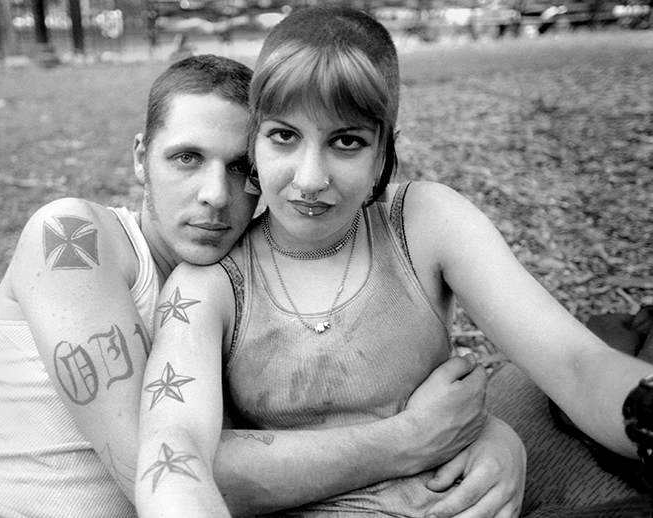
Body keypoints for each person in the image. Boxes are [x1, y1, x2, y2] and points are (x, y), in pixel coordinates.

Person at [0, 54, 494, 518]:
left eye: (241, 167)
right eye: (186, 158)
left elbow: (318, 426)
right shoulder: (75, 237)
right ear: (140, 157)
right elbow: (152, 469)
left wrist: (488, 438)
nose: (215, 195)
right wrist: (412, 440)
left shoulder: (244, 292)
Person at [135, 7, 653, 518]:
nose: (310, 179)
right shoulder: (208, 288)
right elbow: (174, 446)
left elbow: (576, 364)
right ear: (254, 140)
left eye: (346, 141)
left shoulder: (424, 223)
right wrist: (416, 437)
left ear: (384, 152)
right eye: (284, 136)